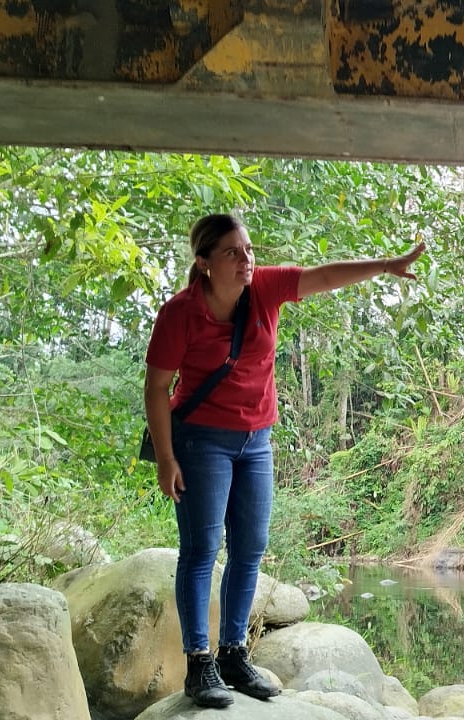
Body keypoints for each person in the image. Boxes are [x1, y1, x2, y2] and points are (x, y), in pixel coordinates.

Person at [144, 213, 424, 708]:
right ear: (204, 262)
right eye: (232, 252)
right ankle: (199, 663)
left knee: (250, 547)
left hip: (257, 441)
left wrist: (385, 265)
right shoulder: (181, 313)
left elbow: (325, 276)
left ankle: (233, 654)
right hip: (202, 441)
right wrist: (166, 458)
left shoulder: (264, 288)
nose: (246, 259)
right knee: (202, 550)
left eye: (248, 249)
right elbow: (157, 387)